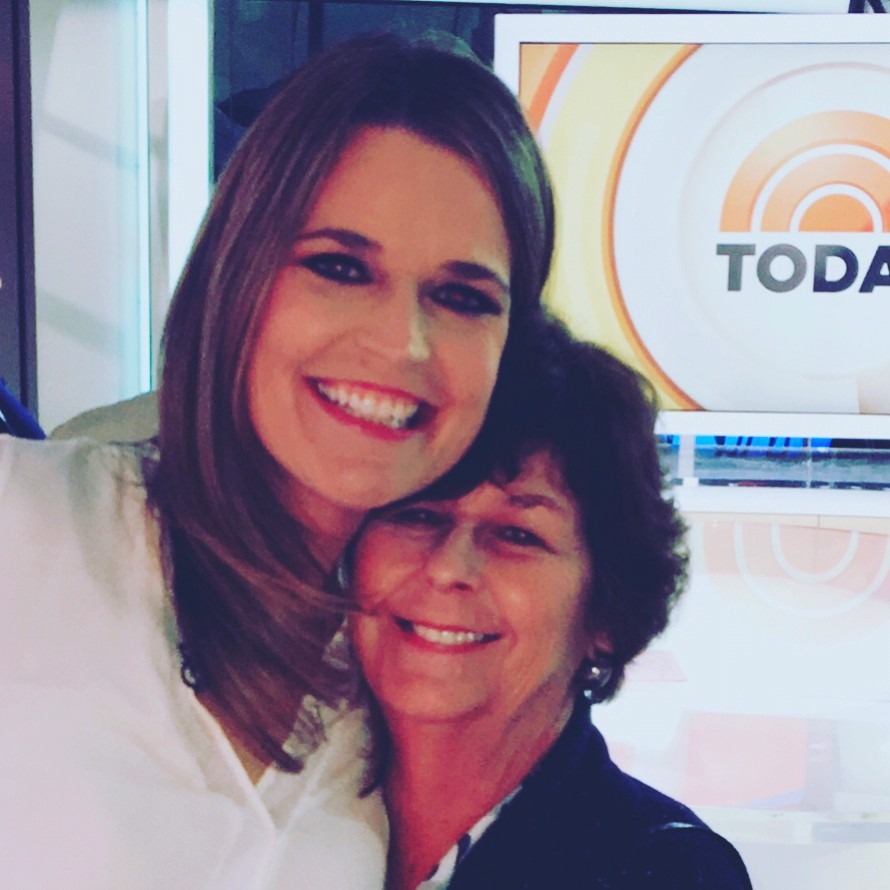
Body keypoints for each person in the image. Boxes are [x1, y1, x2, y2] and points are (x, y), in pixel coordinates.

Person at [0, 33, 554, 889]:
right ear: (237, 276)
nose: (403, 344)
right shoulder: (29, 530)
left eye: (460, 297)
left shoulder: (417, 667)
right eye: (339, 267)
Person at [349, 317, 754, 890]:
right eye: (418, 514)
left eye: (517, 534)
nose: (447, 568)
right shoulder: (278, 798)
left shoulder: (665, 872)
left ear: (605, 614)